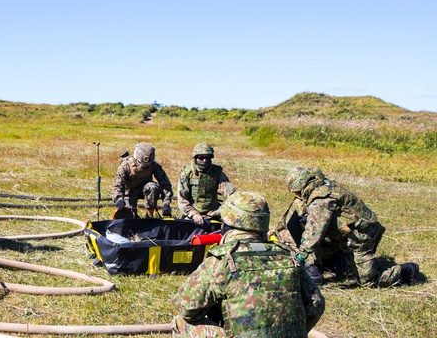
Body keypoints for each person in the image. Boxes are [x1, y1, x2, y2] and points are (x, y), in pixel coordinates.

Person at [172, 191, 325, 337]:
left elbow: (186, 307)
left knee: (180, 322)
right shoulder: (287, 256)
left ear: (226, 225)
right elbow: (316, 304)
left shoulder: (222, 259)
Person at [281, 166, 420, 287]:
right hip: (345, 236)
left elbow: (313, 234)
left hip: (360, 238)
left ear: (303, 185)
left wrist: (299, 259)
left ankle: (407, 270)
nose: (298, 196)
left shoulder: (321, 200)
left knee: (368, 282)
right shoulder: (322, 186)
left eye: (298, 192)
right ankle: (327, 265)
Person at [177, 142, 236, 226]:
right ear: (195, 158)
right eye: (201, 158)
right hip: (192, 214)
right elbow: (182, 199)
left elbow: (231, 194)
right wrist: (193, 214)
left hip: (213, 213)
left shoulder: (217, 173)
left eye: (207, 158)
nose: (204, 160)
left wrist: (222, 210)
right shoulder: (187, 174)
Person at [111, 142, 173, 218]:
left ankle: (149, 216)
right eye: (141, 164)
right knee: (129, 217)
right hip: (129, 192)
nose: (143, 166)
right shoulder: (126, 165)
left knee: (153, 187)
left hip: (146, 189)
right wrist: (119, 199)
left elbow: (165, 184)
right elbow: (117, 185)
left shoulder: (154, 165)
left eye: (146, 165)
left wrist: (166, 203)